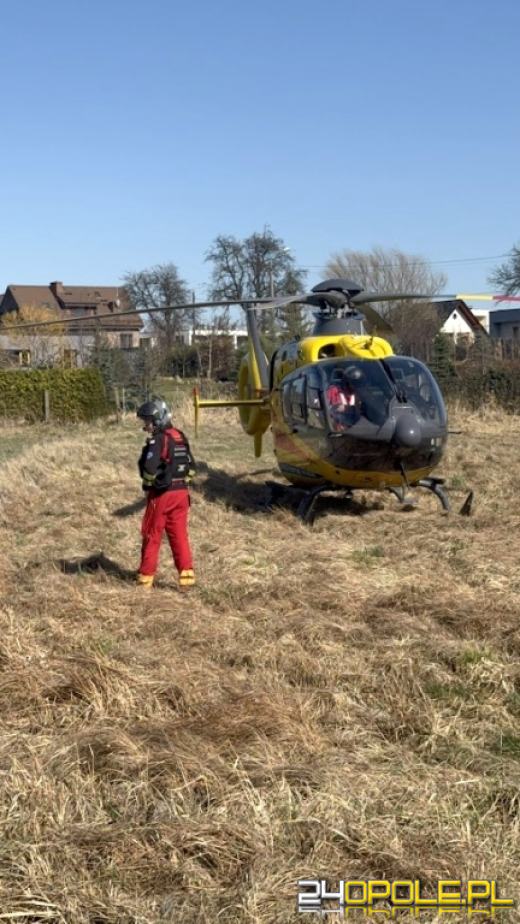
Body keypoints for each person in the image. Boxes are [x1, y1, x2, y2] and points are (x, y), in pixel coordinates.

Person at [136, 398, 196, 591]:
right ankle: (186, 576)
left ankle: (145, 578)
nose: (146, 426)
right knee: (179, 535)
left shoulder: (158, 439)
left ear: (158, 420)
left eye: (147, 421)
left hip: (162, 495)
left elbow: (149, 468)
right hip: (182, 495)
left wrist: (148, 483)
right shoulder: (179, 436)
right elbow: (192, 467)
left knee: (152, 533)